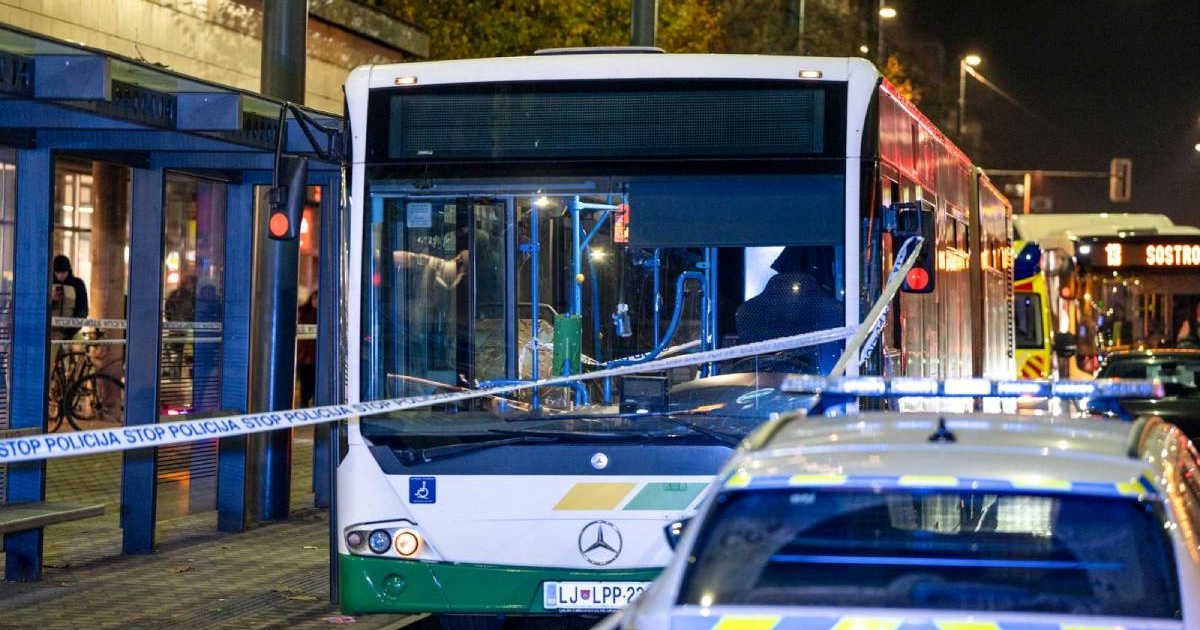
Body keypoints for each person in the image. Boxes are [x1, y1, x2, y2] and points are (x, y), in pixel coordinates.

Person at [50, 254, 88, 340]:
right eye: (57, 272)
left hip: (71, 332)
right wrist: (50, 299)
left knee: (80, 349)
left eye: (63, 272)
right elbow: (37, 309)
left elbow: (82, 309)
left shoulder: (78, 284)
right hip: (49, 332)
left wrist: (71, 330)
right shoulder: (46, 283)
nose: (60, 276)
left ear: (68, 270)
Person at [296, 289, 318, 408]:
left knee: (315, 385)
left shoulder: (322, 314)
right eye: (315, 298)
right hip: (304, 356)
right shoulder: (303, 312)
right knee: (305, 384)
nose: (316, 301)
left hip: (315, 357)